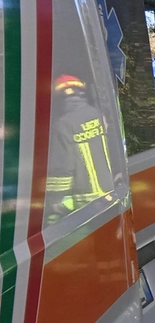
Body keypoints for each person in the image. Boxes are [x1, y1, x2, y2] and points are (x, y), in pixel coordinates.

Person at [47, 74, 113, 223]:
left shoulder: (63, 125)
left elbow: (63, 167)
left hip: (85, 202)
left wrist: (53, 200)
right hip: (109, 192)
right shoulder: (96, 114)